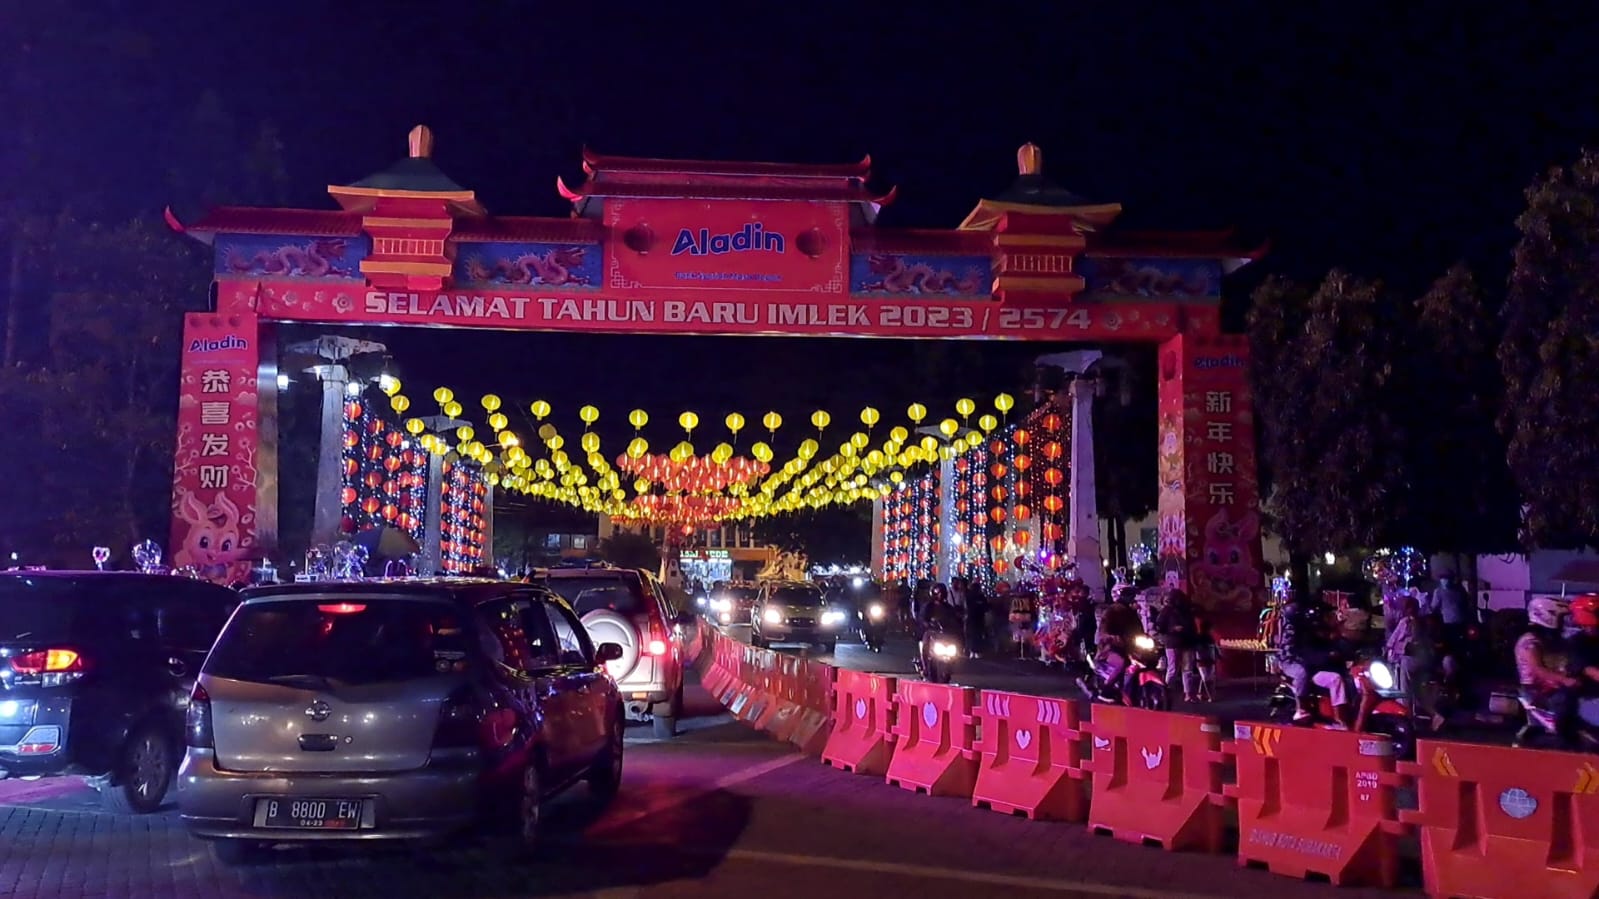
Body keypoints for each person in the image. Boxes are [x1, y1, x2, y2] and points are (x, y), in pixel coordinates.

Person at [1276, 590, 1353, 727]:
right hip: (1312, 670)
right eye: (1328, 615)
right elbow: (1309, 657)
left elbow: (1345, 647)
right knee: (1335, 680)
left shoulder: (1331, 633)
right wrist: (1328, 656)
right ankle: (1338, 719)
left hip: (1323, 667)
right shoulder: (1307, 635)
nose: (1332, 617)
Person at [1514, 596, 1579, 746]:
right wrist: (1565, 680)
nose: (1563, 623)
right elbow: (1538, 669)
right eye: (1561, 618)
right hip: (1536, 690)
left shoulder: (1553, 639)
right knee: (1564, 704)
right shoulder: (1529, 641)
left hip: (1553, 686)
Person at [1385, 596, 1444, 732]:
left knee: (1405, 691)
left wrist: (1392, 650)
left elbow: (1394, 642)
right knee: (1417, 692)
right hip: (1422, 662)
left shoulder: (1409, 622)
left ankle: (1408, 720)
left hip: (1410, 662)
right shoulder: (1422, 622)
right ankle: (1433, 715)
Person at [1157, 588, 1200, 701]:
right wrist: (1172, 629)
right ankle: (1165, 691)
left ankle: (1187, 693)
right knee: (1175, 669)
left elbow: (1192, 627)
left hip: (1184, 642)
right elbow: (1159, 626)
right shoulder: (1168, 611)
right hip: (1174, 643)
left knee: (1186, 669)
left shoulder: (1185, 611)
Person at [1192, 608, 1219, 702]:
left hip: (1206, 660)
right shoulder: (1201, 638)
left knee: (1205, 678)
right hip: (1204, 660)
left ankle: (1201, 694)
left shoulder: (1208, 637)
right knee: (1206, 678)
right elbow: (1213, 648)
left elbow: (1215, 647)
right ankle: (1210, 696)